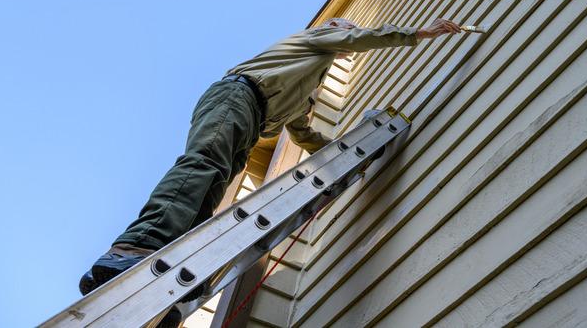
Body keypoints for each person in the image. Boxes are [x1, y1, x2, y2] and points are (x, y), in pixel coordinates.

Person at [79, 17, 462, 296]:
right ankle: (134, 247)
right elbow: (358, 38)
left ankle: (170, 263)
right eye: (342, 31)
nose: (346, 42)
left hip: (252, 112)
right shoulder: (314, 41)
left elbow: (302, 130)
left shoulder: (306, 80)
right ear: (332, 29)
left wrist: (341, 156)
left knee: (213, 185)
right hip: (238, 96)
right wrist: (419, 34)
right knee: (205, 164)